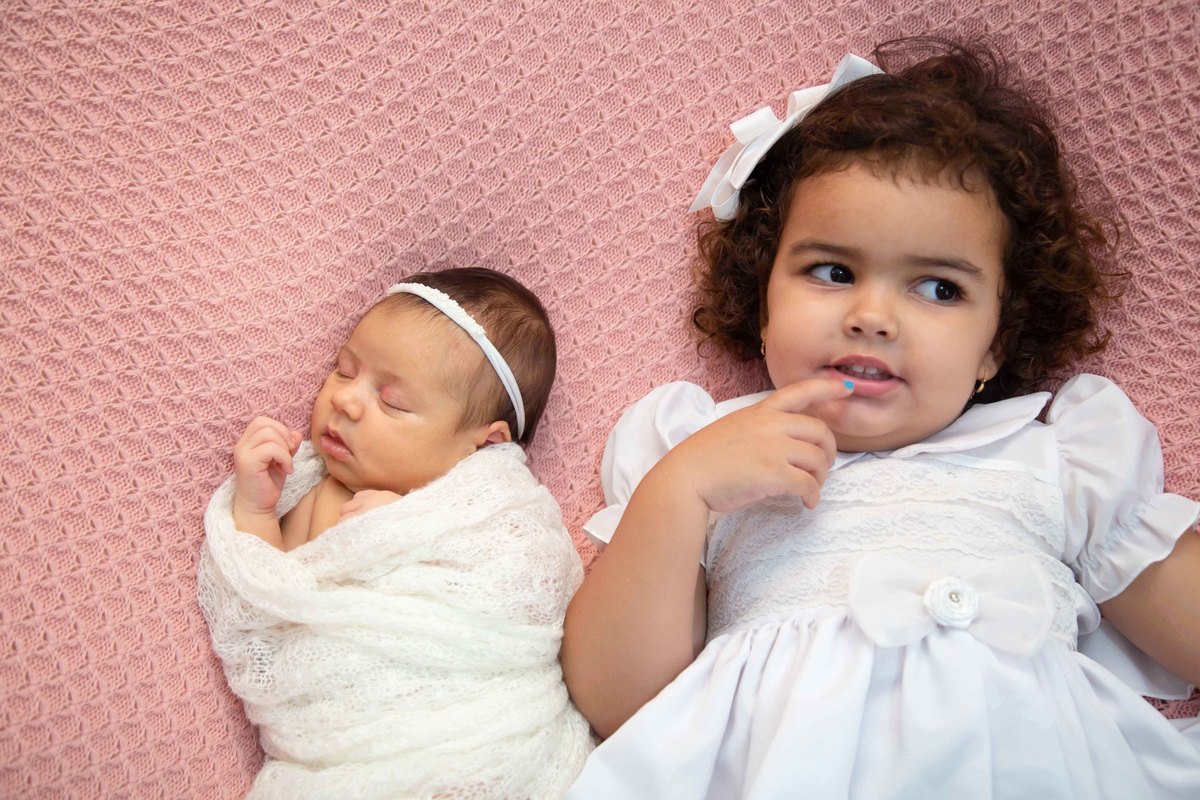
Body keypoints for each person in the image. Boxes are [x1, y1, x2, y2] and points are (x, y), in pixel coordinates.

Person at [561, 39, 1200, 798]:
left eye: (938, 289)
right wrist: (679, 493)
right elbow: (620, 703)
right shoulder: (703, 455)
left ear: (994, 346)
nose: (872, 316)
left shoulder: (1061, 461)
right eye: (832, 272)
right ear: (763, 307)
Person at [197, 267, 591, 799]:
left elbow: (527, 591)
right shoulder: (316, 485)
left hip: (488, 732)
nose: (345, 400)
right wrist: (255, 506)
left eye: (393, 402)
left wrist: (410, 527)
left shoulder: (488, 515)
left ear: (483, 445)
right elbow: (268, 601)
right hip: (364, 744)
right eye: (343, 371)